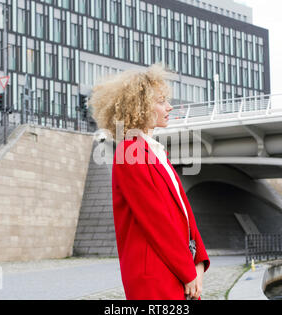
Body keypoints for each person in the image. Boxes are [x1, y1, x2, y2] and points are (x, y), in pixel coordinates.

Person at [88, 63, 210, 300]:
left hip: (173, 269)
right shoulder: (129, 152)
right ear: (140, 106)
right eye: (161, 101)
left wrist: (199, 262)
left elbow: (184, 213)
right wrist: (189, 271)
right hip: (154, 275)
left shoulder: (152, 151)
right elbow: (156, 221)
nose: (169, 106)